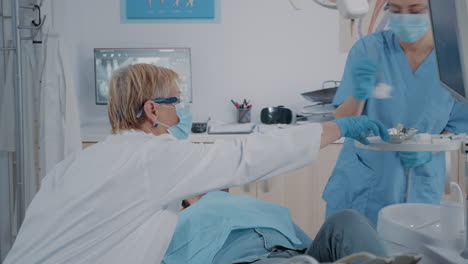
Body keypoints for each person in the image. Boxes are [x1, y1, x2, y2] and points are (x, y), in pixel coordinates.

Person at [4, 64, 389, 264]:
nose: (184, 109)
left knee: (348, 223)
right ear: (153, 110)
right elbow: (247, 156)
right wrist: (337, 127)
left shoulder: (72, 165)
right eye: (177, 101)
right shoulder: (151, 158)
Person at [323, 0, 468, 225]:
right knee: (356, 254)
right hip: (364, 179)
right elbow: (343, 121)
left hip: (420, 177)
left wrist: (430, 151)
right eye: (396, 9)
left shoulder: (454, 59)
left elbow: (459, 124)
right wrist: (359, 94)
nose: (405, 17)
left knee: (413, 252)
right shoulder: (369, 48)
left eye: (415, 9)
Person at [162, 191, 390, 264]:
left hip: (300, 254)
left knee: (347, 220)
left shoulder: (240, 200)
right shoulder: (173, 224)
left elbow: (299, 236)